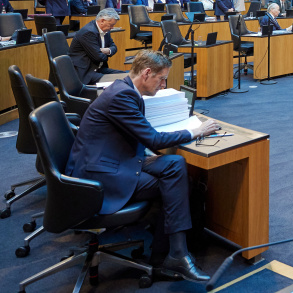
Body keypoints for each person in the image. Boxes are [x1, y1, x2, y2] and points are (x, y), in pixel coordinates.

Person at [66, 50, 219, 281]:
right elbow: (154, 140)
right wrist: (195, 131)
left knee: (176, 165)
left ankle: (172, 253)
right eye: (161, 78)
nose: (163, 84)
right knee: (177, 182)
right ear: (147, 73)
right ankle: (173, 254)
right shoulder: (121, 96)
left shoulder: (123, 89)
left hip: (115, 159)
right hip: (101, 177)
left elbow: (140, 134)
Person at [68, 8, 126, 84]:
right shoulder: (89, 32)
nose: (112, 28)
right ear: (102, 21)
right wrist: (106, 53)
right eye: (111, 25)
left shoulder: (106, 30)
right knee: (118, 81)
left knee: (125, 75)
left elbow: (114, 47)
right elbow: (99, 57)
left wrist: (107, 50)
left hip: (98, 68)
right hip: (86, 72)